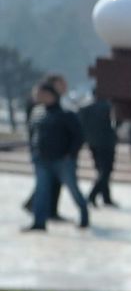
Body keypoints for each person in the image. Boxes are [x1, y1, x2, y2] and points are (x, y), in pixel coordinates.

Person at [22, 84, 90, 232]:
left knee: (73, 189)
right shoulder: (37, 112)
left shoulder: (66, 113)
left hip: (62, 161)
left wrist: (70, 155)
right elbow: (32, 133)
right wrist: (34, 151)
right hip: (41, 160)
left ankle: (84, 216)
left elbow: (78, 137)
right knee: (42, 191)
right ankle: (39, 222)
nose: (36, 97)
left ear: (49, 94)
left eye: (39, 93)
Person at [78, 91, 118, 208]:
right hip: (106, 143)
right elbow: (116, 123)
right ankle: (93, 195)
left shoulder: (85, 108)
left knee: (101, 170)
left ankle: (106, 197)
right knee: (105, 171)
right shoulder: (108, 107)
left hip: (92, 143)